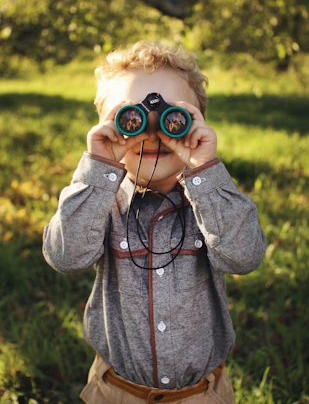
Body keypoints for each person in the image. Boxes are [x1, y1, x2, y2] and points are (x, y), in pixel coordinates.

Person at [43, 41, 266, 404]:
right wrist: (99, 168)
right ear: (109, 124)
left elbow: (245, 256)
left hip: (202, 395)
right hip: (115, 391)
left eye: (172, 119)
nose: (152, 133)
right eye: (130, 119)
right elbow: (65, 257)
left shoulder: (210, 202)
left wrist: (204, 170)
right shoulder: (103, 202)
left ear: (196, 123)